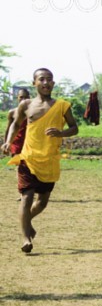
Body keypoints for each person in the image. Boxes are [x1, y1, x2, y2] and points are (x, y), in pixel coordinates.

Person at [4, 69, 78, 253]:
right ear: (34, 83)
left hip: (49, 159)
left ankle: (26, 221)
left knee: (42, 202)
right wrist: (8, 141)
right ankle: (26, 238)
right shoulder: (26, 105)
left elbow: (74, 128)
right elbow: (16, 124)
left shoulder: (62, 106)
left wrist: (61, 133)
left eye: (49, 79)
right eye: (41, 79)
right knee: (26, 196)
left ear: (53, 83)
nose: (46, 82)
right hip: (28, 157)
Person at [3, 88, 31, 156]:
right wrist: (6, 143)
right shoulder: (12, 112)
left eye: (26, 97)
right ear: (17, 97)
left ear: (29, 98)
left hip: (29, 143)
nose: (23, 99)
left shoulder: (33, 112)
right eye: (21, 97)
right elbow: (8, 130)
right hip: (17, 144)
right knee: (17, 161)